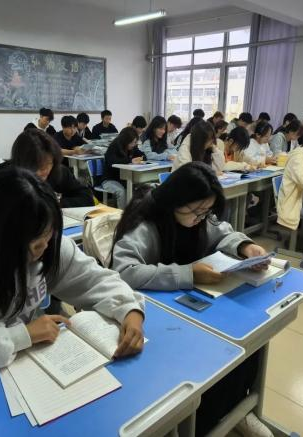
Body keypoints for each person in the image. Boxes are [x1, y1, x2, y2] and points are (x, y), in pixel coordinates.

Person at [0, 164, 145, 436]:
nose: (45, 249)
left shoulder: (46, 241)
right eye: (36, 246)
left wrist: (129, 310)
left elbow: (95, 279)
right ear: (0, 241)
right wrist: (22, 336)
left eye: (48, 238)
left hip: (27, 367)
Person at [110, 161, 269, 436]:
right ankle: (209, 421)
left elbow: (223, 231)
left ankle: (239, 407)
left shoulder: (199, 215)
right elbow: (124, 271)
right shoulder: (145, 224)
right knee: (209, 358)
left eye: (206, 211)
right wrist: (188, 274)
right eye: (196, 211)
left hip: (193, 304)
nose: (201, 217)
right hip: (156, 313)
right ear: (175, 200)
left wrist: (246, 246)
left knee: (247, 342)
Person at [10, 129, 94, 208]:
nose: (44, 170)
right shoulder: (7, 177)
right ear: (21, 163)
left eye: (48, 163)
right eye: (37, 166)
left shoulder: (59, 171)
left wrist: (57, 203)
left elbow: (87, 197)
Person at [102, 127, 145, 209]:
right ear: (125, 140)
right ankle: (122, 215)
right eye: (132, 142)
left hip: (124, 179)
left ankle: (133, 212)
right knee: (121, 191)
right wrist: (130, 160)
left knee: (139, 189)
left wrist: (141, 157)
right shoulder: (114, 147)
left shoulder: (132, 147)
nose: (133, 145)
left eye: (135, 142)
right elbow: (112, 161)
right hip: (110, 179)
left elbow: (142, 155)